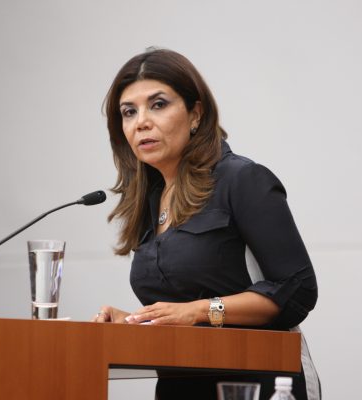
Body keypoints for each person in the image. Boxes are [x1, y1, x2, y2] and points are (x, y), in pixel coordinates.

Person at [91, 48, 320, 400]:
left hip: (258, 382)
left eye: (158, 104)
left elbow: (297, 288)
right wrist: (136, 323)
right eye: (129, 112)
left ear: (195, 113)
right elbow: (179, 311)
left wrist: (200, 311)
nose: (141, 122)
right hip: (182, 385)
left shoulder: (242, 179)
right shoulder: (150, 200)